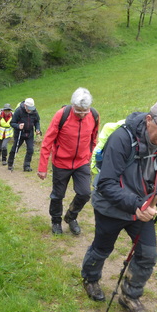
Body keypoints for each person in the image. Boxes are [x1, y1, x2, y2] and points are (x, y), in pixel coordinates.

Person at [81, 98, 157, 312]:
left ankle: (130, 296)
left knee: (148, 254)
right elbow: (106, 183)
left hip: (143, 206)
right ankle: (90, 278)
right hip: (111, 205)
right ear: (149, 120)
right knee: (102, 247)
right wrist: (136, 205)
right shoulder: (122, 138)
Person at [37, 88, 99, 235]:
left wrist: (90, 155)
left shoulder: (94, 115)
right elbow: (47, 141)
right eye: (78, 111)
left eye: (85, 111)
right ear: (72, 106)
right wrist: (42, 167)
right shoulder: (62, 115)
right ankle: (56, 221)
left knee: (84, 193)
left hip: (81, 162)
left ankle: (71, 216)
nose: (82, 114)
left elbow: (94, 138)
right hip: (61, 163)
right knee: (58, 195)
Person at [7, 98, 41, 172]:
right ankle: (10, 163)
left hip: (29, 133)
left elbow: (37, 121)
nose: (30, 110)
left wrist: (37, 129)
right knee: (15, 148)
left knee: (30, 149)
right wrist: (18, 126)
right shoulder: (19, 111)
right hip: (19, 132)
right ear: (25, 105)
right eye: (28, 108)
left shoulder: (34, 111)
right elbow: (12, 123)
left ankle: (27, 166)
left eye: (31, 108)